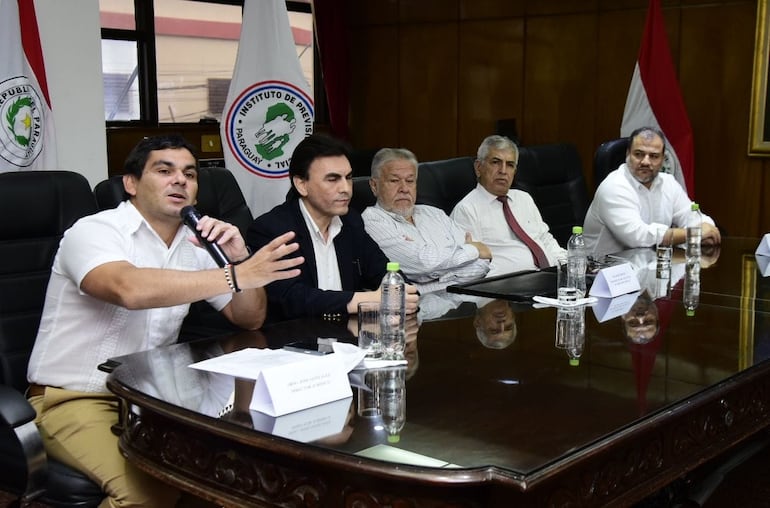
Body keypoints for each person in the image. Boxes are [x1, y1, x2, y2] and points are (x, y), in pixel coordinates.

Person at [25, 134, 304, 508]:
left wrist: (238, 261)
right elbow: (128, 289)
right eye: (164, 170)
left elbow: (248, 316)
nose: (180, 180)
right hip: (75, 398)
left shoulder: (196, 242)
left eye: (190, 174)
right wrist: (235, 276)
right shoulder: (95, 230)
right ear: (131, 183)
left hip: (152, 401)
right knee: (147, 494)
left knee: (226, 476)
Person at [246, 134, 419, 322]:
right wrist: (365, 300)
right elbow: (290, 298)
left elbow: (383, 270)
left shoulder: (351, 222)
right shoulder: (272, 229)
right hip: (295, 341)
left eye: (348, 177)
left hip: (346, 339)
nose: (346, 188)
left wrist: (402, 292)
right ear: (302, 184)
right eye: (332, 179)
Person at [362, 147, 491, 293]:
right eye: (394, 180)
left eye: (410, 181)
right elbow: (423, 262)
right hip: (416, 310)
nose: (404, 188)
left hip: (459, 302)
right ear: (374, 186)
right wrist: (472, 250)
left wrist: (427, 281)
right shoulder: (371, 221)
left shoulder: (434, 214)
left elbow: (483, 264)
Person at [583, 126, 721, 257]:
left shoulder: (668, 183)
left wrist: (707, 228)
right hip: (601, 273)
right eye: (639, 154)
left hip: (648, 267)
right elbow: (639, 237)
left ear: (662, 160)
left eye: (654, 156)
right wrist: (695, 234)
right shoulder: (614, 187)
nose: (645, 162)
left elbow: (692, 217)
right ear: (628, 154)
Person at [450, 135, 565, 277]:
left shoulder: (524, 199)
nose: (503, 171)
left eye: (510, 165)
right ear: (478, 167)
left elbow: (545, 239)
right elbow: (472, 268)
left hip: (552, 279)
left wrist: (568, 265)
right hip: (508, 288)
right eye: (496, 162)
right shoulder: (467, 210)